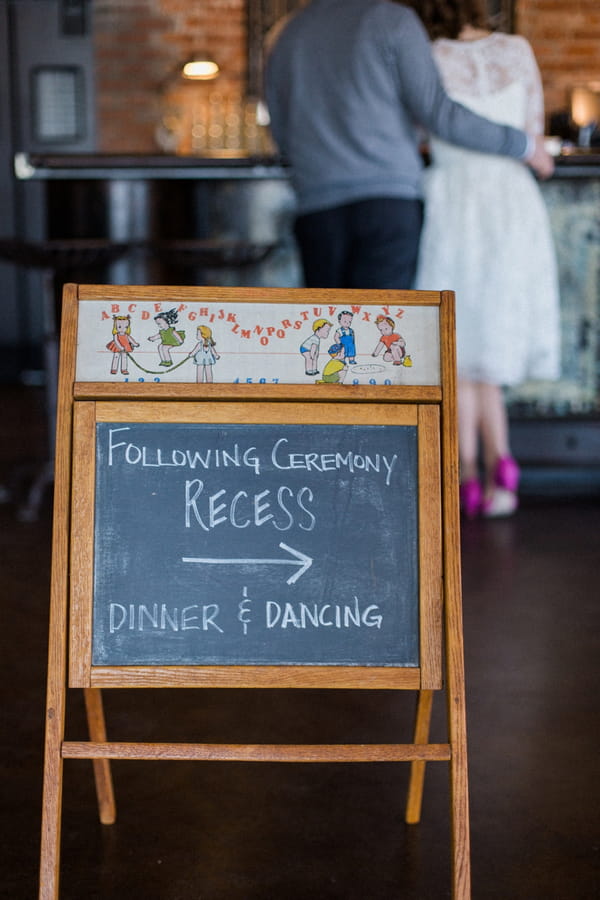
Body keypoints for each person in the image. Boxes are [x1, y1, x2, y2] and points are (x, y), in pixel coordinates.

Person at [264, 0, 553, 291]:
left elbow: (279, 130)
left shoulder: (290, 32)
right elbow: (438, 113)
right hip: (387, 204)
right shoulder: (392, 19)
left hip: (317, 208)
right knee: (380, 327)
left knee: (326, 326)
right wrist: (523, 144)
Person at [412, 0, 561, 517]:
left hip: (453, 199)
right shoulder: (518, 50)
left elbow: (420, 135)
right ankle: (502, 465)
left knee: (456, 341)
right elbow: (534, 137)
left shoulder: (429, 55)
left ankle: (467, 475)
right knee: (487, 347)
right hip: (510, 201)